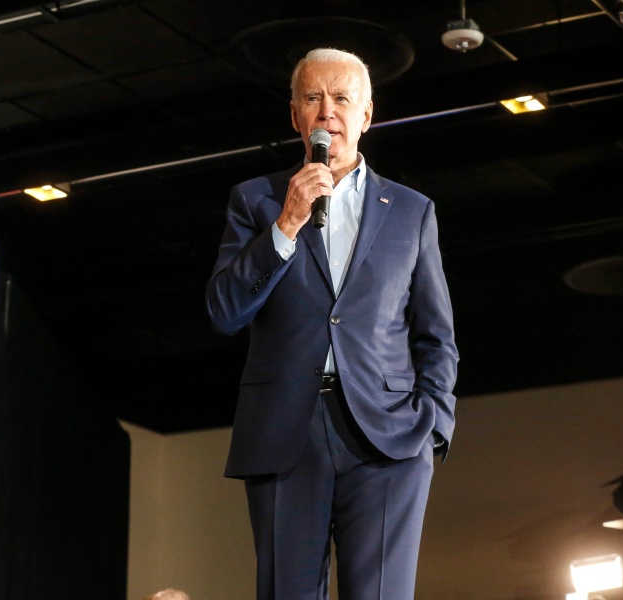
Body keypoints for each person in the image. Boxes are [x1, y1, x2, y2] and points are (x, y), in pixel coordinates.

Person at [205, 47, 459, 600]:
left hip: (389, 436)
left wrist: (433, 428)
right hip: (284, 431)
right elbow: (225, 311)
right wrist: (286, 225)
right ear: (294, 115)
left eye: (342, 98)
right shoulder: (256, 201)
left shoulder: (413, 211)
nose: (328, 113)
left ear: (366, 116)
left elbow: (435, 335)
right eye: (313, 99)